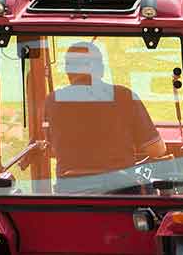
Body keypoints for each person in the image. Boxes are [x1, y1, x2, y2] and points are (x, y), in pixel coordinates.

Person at [44, 41, 168, 192]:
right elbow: (157, 150)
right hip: (121, 195)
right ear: (100, 69)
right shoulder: (124, 96)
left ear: (68, 71)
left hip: (71, 195)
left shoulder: (52, 101)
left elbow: (53, 149)